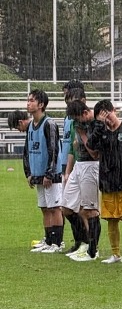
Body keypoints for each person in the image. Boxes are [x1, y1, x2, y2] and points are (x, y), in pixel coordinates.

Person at [86, 99, 122, 264]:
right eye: (102, 117)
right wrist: (99, 125)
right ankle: (115, 254)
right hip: (108, 181)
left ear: (114, 110)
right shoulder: (101, 132)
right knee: (111, 219)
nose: (107, 119)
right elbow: (91, 145)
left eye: (107, 115)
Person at [23, 90, 64, 253]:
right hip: (37, 174)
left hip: (50, 176)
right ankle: (48, 240)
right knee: (44, 208)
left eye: (32, 101)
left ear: (41, 105)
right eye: (28, 100)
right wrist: (29, 173)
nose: (28, 103)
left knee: (54, 207)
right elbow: (27, 150)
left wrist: (49, 173)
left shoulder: (49, 124)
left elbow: (53, 150)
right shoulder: (31, 126)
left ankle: (57, 243)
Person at [65, 100, 102, 262]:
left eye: (77, 118)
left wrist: (82, 135)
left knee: (90, 210)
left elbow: (95, 153)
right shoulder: (77, 123)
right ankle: (85, 243)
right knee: (66, 207)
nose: (76, 122)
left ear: (85, 113)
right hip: (79, 165)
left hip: (91, 165)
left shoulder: (96, 124)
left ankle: (93, 250)